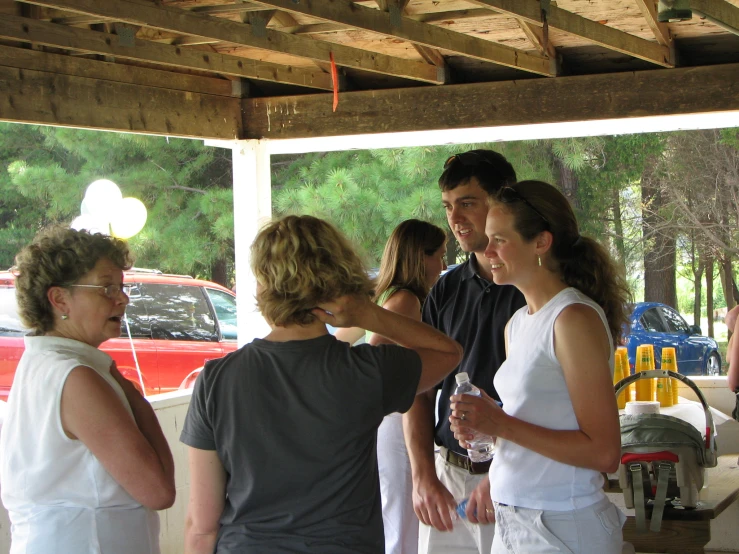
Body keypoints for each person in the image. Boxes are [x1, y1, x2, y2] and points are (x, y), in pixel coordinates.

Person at [180, 215, 463, 554]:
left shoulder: (216, 379)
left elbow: (201, 525)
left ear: (264, 283)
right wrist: (367, 313)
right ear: (339, 280)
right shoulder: (364, 372)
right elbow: (449, 352)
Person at [449, 180, 630, 553]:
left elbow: (604, 453)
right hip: (514, 519)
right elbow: (537, 423)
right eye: (487, 238)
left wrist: (501, 423)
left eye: (499, 238)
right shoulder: (517, 323)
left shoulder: (571, 319)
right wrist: (488, 427)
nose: (487, 249)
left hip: (563, 523)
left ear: (541, 243)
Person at [0, 227, 175, 554]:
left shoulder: (44, 362)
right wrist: (129, 391)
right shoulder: (75, 376)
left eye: (121, 288)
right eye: (107, 288)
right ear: (59, 299)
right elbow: (159, 490)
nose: (122, 298)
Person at [403, 150, 526, 554]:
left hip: (523, 478)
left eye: (468, 204)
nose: (455, 219)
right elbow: (416, 387)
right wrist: (423, 475)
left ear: (502, 201)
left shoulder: (536, 288)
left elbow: (559, 401)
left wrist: (505, 470)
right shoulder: (446, 288)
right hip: (451, 476)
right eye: (448, 206)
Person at [338, 218, 447, 554]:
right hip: (396, 418)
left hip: (385, 418)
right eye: (439, 256)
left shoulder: (382, 293)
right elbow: (377, 356)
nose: (442, 266)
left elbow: (342, 343)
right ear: (420, 257)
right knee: (400, 513)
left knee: (394, 508)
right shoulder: (405, 300)